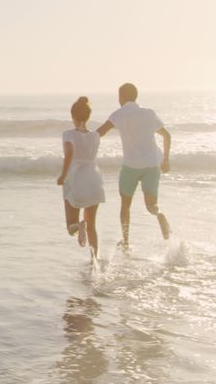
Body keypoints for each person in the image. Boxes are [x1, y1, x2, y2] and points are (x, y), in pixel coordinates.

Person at [96, 83, 171, 249]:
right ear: (135, 96)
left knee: (125, 205)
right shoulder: (149, 113)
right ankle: (159, 214)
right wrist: (165, 159)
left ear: (121, 97)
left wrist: (82, 143)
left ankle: (126, 241)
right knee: (151, 205)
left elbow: (99, 133)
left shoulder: (119, 114)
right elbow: (167, 135)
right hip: (152, 165)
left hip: (131, 167)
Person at [56, 96, 105, 261]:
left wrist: (63, 175)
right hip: (93, 178)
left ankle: (79, 225)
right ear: (88, 117)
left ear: (73, 117)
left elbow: (69, 153)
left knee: (71, 227)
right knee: (93, 226)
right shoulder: (96, 136)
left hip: (75, 179)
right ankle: (94, 261)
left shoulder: (68, 134)